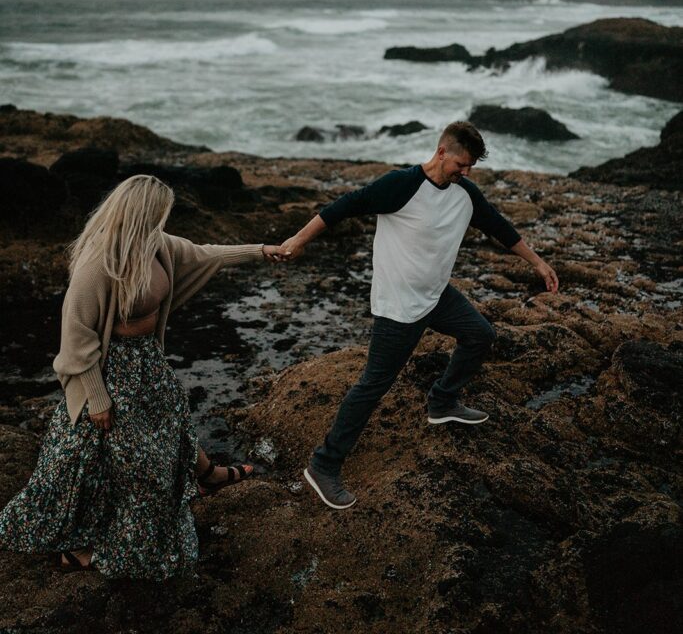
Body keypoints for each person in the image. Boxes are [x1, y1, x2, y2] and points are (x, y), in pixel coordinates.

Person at [0, 174, 286, 577]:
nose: (163, 221)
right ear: (140, 215)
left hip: (146, 360)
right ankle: (75, 547)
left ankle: (209, 475)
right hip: (109, 369)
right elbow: (76, 337)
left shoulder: (157, 245)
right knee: (111, 461)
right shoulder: (98, 263)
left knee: (172, 419)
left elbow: (205, 254)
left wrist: (260, 250)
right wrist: (98, 399)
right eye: (159, 214)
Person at [280, 121, 558, 510]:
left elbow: (500, 228)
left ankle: (442, 402)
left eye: (472, 166)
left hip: (436, 295)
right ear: (442, 151)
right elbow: (342, 207)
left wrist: (539, 264)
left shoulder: (465, 193)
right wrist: (297, 241)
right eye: (462, 163)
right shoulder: (401, 185)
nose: (466, 172)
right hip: (398, 305)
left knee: (480, 335)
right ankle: (323, 465)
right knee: (374, 385)